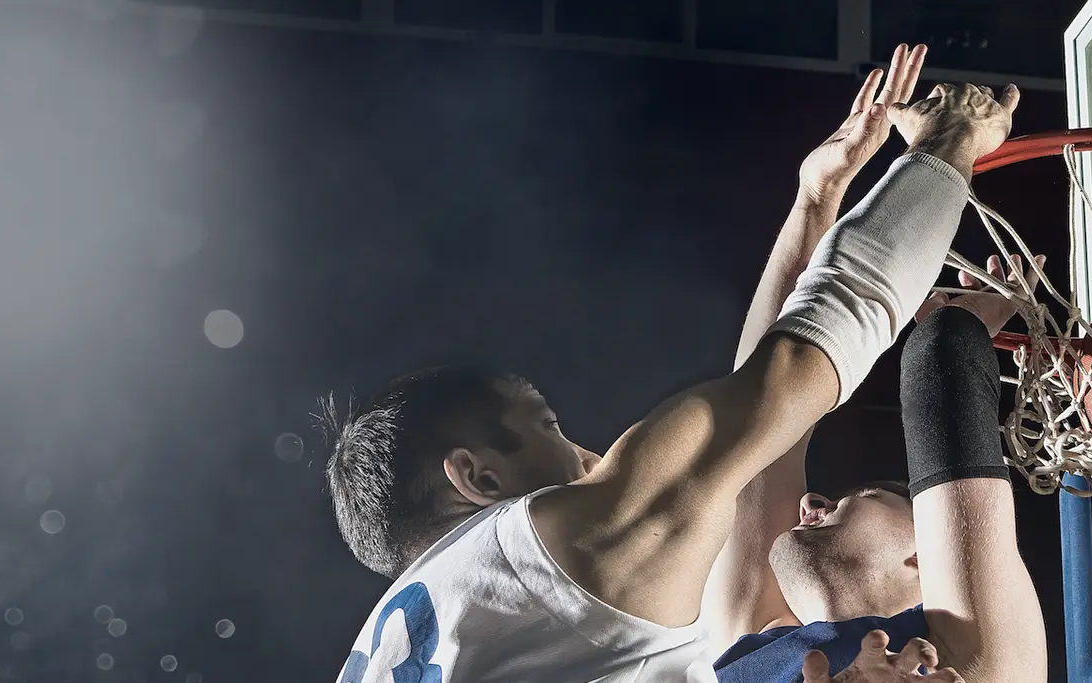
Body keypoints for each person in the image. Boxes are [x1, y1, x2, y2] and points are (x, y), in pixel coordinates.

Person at [323, 43, 1020, 682]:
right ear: (478, 476)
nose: (592, 453)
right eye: (547, 425)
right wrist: (947, 146)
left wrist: (815, 204)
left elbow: (757, 455)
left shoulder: (425, 638)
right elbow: (801, 359)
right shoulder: (557, 552)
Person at [706, 251, 1050, 682]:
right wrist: (815, 199)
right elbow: (766, 392)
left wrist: (956, 331)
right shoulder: (975, 660)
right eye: (866, 496)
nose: (810, 500)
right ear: (926, 551)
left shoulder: (976, 661)